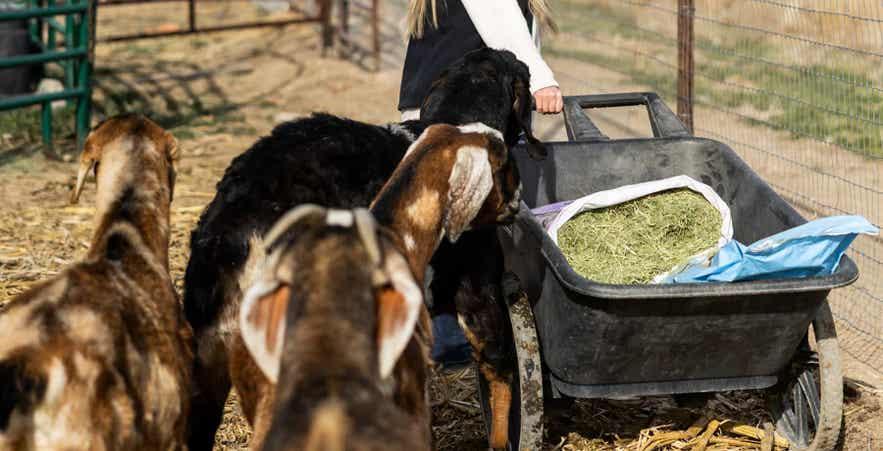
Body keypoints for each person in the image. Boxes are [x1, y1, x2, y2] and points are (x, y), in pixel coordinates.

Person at [398, 0, 561, 367]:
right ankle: (449, 339)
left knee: (443, 226)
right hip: (455, 114)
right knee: (458, 229)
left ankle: (445, 333)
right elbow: (495, 10)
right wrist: (541, 78)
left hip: (444, 110)